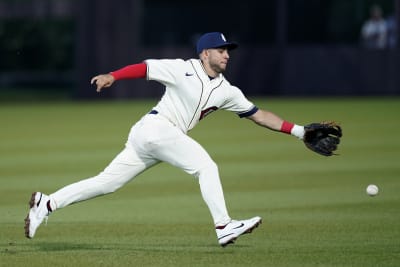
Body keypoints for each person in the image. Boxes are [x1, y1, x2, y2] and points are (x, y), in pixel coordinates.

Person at [25, 32, 306, 247]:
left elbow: (259, 115)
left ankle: (46, 204)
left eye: (228, 50)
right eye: (221, 50)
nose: (227, 55)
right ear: (205, 53)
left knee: (107, 183)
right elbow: (144, 68)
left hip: (157, 137)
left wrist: (300, 131)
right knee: (205, 167)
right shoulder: (182, 68)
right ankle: (224, 226)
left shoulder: (228, 91)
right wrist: (113, 76)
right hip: (156, 128)